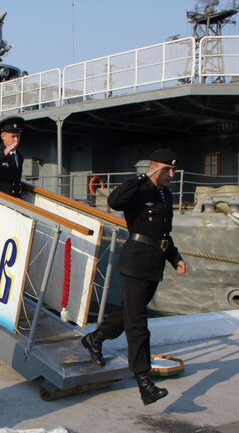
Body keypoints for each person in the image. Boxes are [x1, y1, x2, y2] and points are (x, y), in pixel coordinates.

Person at [81, 148, 187, 406]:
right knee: (138, 323)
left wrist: (175, 258)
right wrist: (143, 177)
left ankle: (95, 338)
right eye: (167, 170)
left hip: (154, 264)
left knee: (130, 312)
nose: (172, 174)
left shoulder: (166, 193)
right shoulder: (139, 190)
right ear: (156, 168)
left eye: (173, 170)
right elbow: (114, 201)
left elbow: (164, 234)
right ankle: (144, 380)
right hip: (135, 263)